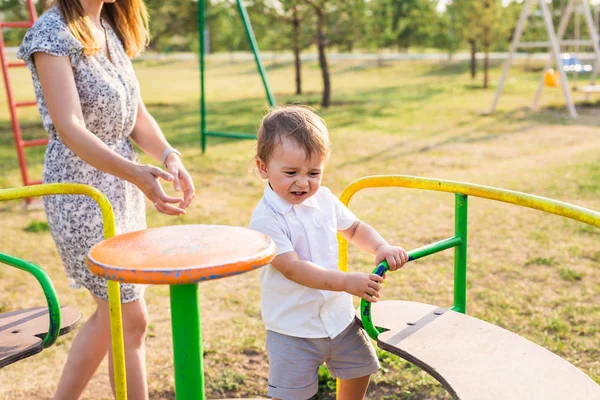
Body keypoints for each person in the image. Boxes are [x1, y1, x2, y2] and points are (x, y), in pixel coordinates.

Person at [17, 1, 195, 399]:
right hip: (81, 192)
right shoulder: (52, 34)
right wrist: (135, 173)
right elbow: (70, 127)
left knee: (113, 314)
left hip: (121, 190)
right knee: (129, 316)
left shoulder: (108, 25)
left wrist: (169, 155)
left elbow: (136, 115)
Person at [249, 105, 409, 400]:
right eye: (290, 172)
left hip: (338, 319)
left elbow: (354, 228)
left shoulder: (323, 198)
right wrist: (348, 283)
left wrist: (380, 246)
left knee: (360, 367)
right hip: (293, 328)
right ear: (263, 168)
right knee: (291, 394)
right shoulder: (266, 218)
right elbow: (293, 268)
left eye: (313, 172)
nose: (303, 182)